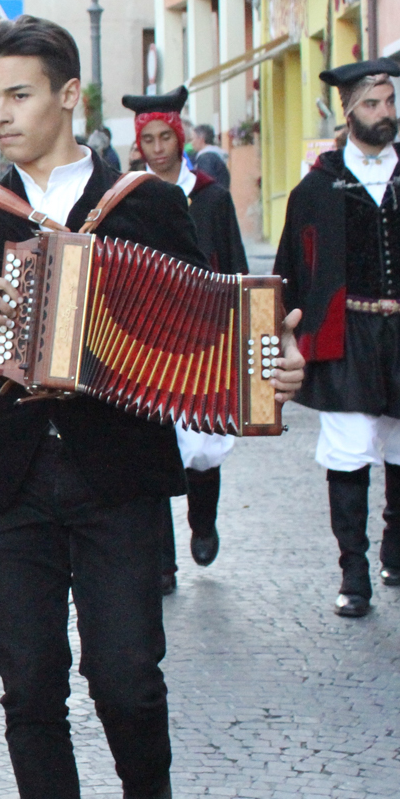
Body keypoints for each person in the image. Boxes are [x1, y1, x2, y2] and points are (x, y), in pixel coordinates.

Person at [0, 18, 304, 799]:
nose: (1, 116)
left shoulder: (147, 205)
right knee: (29, 689)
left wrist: (274, 369)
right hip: (6, 480)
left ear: (68, 95)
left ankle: (147, 789)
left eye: (19, 96)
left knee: (125, 674)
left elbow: (219, 321)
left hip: (116, 475)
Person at [274, 58, 400, 618]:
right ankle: (353, 571)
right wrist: (285, 337)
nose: (385, 114)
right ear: (349, 112)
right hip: (346, 334)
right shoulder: (315, 189)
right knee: (349, 448)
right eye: (373, 104)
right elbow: (290, 271)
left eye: (389, 102)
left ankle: (396, 535)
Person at [124, 87, 249, 590]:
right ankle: (162, 562)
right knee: (151, 443)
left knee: (201, 446)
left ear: (179, 139)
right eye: (148, 140)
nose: (158, 149)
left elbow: (235, 263)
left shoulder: (211, 198)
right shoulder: (127, 196)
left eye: (165, 138)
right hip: (146, 336)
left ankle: (203, 520)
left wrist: (241, 328)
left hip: (204, 332)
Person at [191, 122, 231, 189]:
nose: (192, 143)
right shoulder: (215, 156)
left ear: (201, 139)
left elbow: (206, 186)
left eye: (192, 139)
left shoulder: (206, 158)